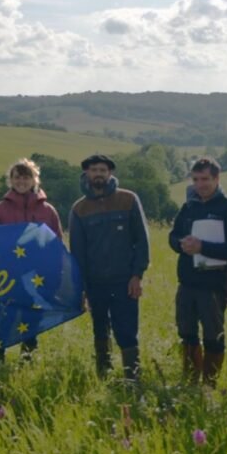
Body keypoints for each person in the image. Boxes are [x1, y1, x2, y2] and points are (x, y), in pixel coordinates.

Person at [68, 154, 149, 381]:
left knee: (127, 331)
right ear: (87, 174)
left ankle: (132, 378)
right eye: (94, 170)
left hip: (125, 280)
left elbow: (142, 241)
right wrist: (82, 288)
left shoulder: (129, 200)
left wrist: (137, 275)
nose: (98, 174)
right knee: (100, 330)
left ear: (110, 173)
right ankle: (103, 375)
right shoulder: (79, 209)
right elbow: (77, 253)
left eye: (103, 170)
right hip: (95, 283)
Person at [168, 158, 227, 386]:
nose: (200, 184)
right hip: (187, 283)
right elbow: (172, 236)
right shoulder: (189, 206)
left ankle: (210, 384)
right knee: (187, 334)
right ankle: (190, 380)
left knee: (213, 336)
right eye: (196, 179)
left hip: (214, 285)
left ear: (217, 179)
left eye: (206, 179)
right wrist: (182, 244)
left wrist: (203, 247)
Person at [0, 158, 63, 359]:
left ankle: (27, 359)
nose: (21, 181)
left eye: (26, 177)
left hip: (37, 275)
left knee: (31, 318)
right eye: (17, 177)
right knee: (4, 317)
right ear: (10, 180)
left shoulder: (48, 211)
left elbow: (56, 244)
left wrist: (55, 275)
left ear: (34, 180)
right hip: (7, 273)